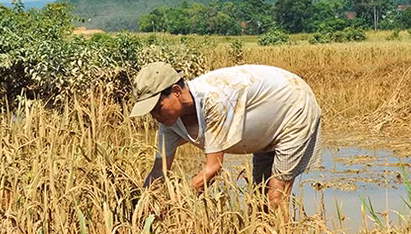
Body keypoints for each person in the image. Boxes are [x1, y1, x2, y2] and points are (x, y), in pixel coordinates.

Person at [130, 61, 322, 212]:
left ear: (176, 92)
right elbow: (159, 171)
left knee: (276, 198)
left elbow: (214, 168)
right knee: (259, 198)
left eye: (157, 108)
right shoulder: (168, 123)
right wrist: (143, 206)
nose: (154, 115)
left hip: (294, 105)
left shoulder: (213, 100)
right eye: (150, 111)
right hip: (263, 125)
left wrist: (176, 202)